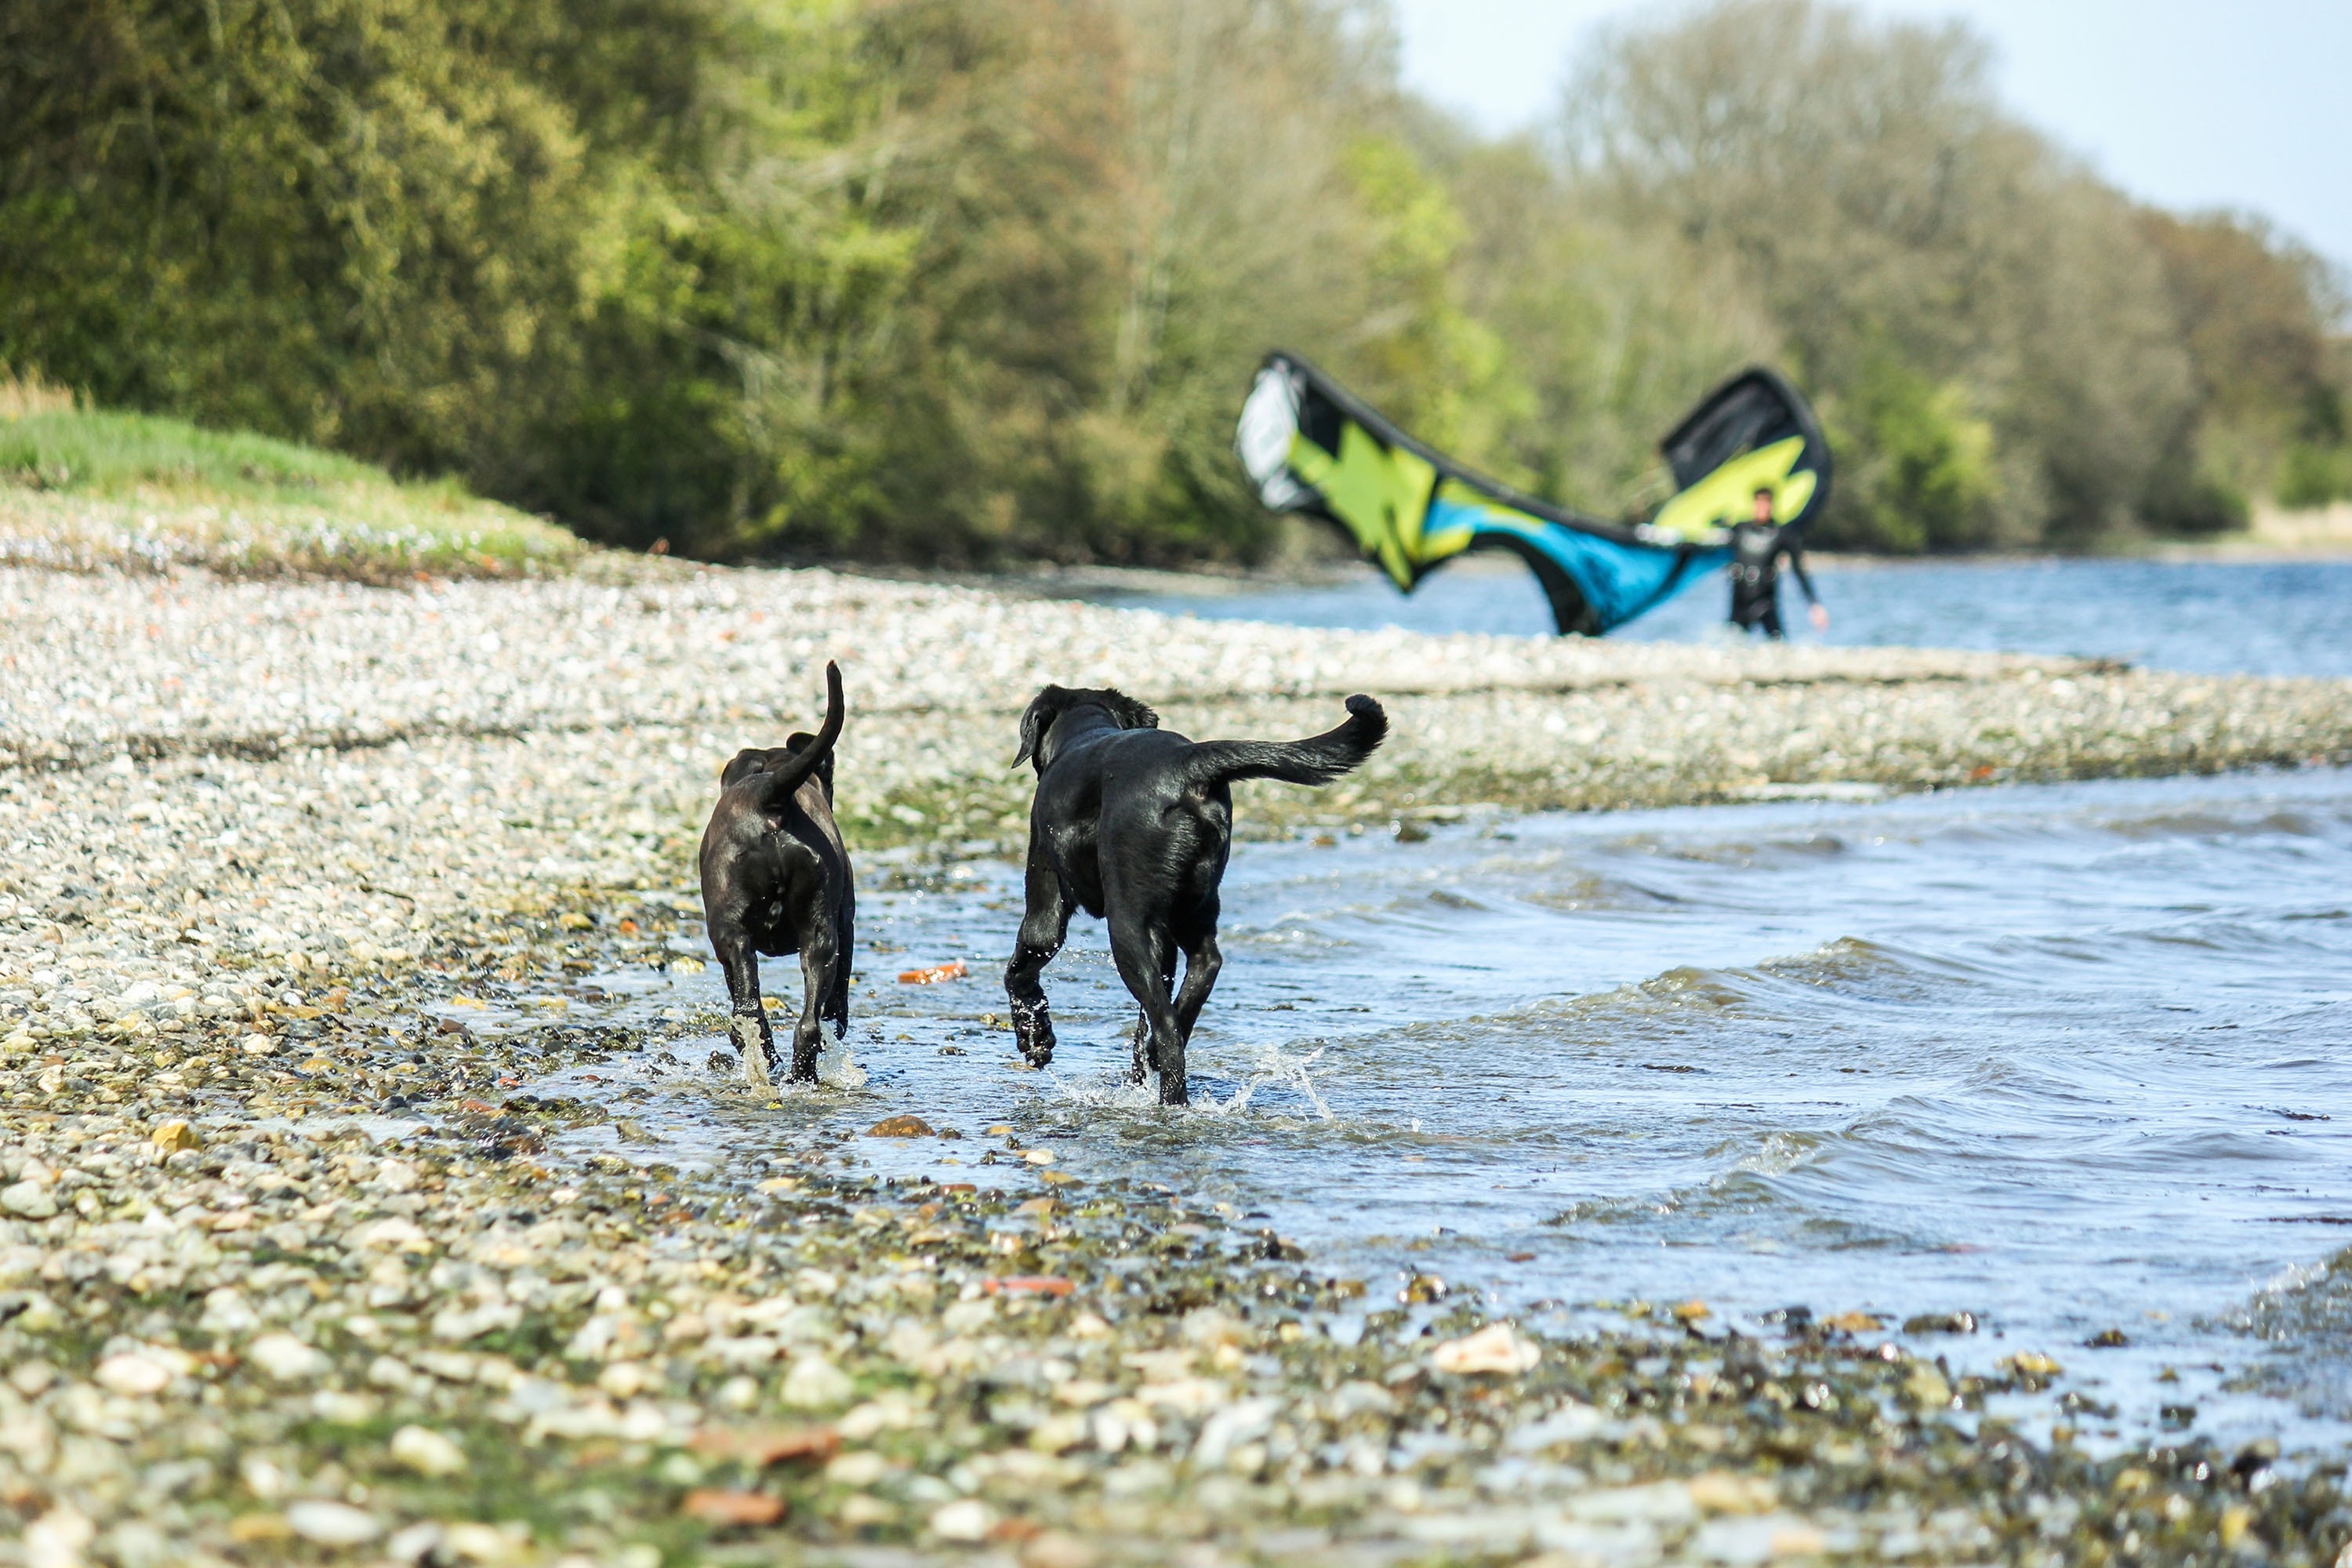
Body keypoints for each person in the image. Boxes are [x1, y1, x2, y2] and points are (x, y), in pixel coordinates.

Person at [1728, 486, 1828, 638]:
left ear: (1772, 505)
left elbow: (1798, 571)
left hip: (1766, 601)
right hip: (1741, 600)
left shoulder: (1782, 534)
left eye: (1767, 503)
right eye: (1760, 503)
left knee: (1777, 641)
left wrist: (1814, 604)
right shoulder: (1740, 530)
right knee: (1732, 640)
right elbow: (1708, 545)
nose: (1763, 508)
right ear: (1754, 504)